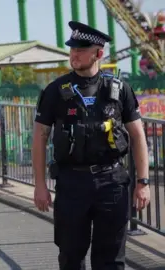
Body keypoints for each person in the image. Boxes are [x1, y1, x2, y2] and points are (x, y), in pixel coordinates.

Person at [31, 21, 151, 270]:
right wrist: (40, 185)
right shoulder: (55, 91)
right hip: (72, 184)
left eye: (81, 49)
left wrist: (143, 182)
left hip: (112, 182)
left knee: (111, 259)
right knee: (71, 256)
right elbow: (40, 137)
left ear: (98, 53)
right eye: (72, 48)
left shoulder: (119, 90)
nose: (74, 54)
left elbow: (138, 136)